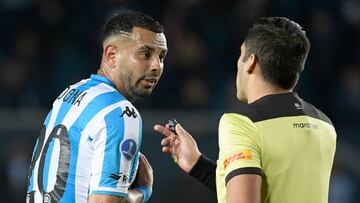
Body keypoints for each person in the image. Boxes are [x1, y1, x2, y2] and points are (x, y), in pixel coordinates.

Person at [154, 17, 336, 203]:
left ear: (251, 61)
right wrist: (198, 165)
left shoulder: (242, 123)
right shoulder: (324, 124)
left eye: (240, 56)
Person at [26, 10, 168, 203]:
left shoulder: (69, 93)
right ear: (111, 55)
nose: (156, 66)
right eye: (145, 54)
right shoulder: (120, 113)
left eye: (161, 56)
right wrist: (144, 192)